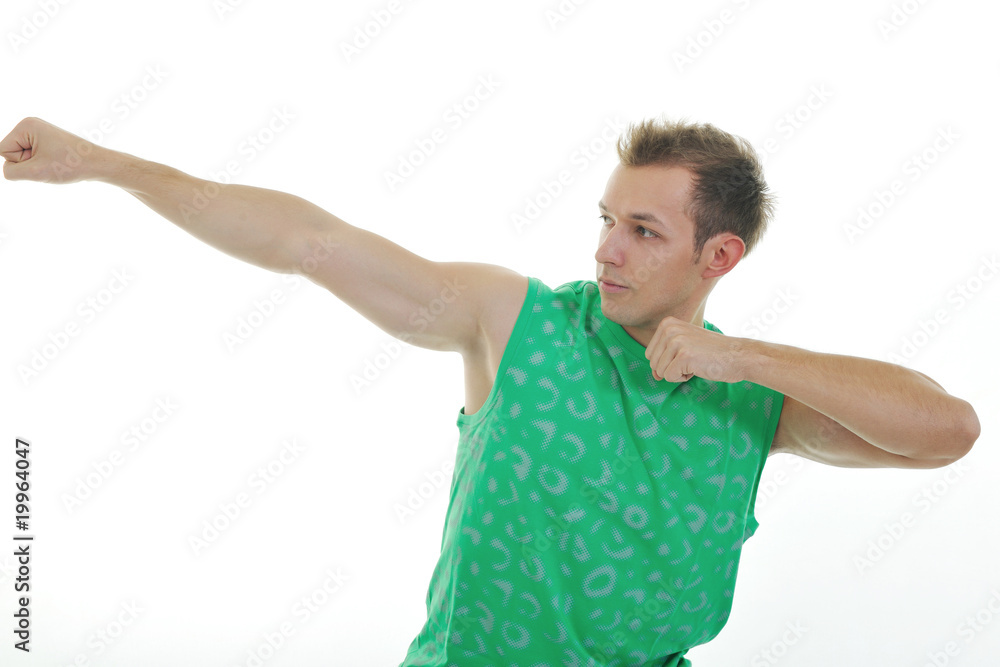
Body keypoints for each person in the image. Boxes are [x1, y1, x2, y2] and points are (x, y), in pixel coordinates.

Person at [2, 115, 980, 666]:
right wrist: (101, 164)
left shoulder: (754, 401)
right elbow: (309, 241)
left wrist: (750, 359)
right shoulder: (514, 322)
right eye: (606, 218)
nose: (605, 250)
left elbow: (946, 429)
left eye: (643, 231)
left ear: (717, 256)